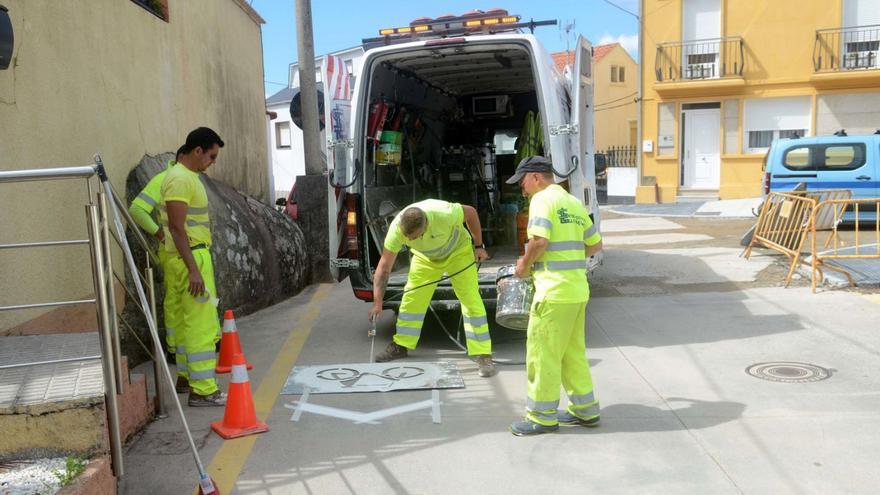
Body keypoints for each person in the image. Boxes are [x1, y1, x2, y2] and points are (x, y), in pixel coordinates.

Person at [506, 156, 603, 435]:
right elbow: (595, 244)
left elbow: (539, 241)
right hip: (576, 290)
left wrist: (524, 266)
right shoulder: (572, 202)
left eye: (522, 181)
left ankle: (541, 417)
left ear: (536, 176)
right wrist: (569, 257)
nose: (522, 188)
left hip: (553, 292)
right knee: (573, 353)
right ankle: (586, 410)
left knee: (542, 355)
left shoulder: (542, 200)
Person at [368, 199, 497, 377]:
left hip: (457, 252)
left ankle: (483, 354)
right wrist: (377, 302)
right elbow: (383, 268)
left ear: (426, 224)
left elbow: (471, 213)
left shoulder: (444, 213)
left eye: (415, 236)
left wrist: (478, 246)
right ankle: (402, 345)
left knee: (470, 300)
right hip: (425, 258)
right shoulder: (397, 230)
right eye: (409, 238)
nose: (411, 240)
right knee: (411, 299)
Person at [159, 127, 226, 407]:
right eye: (211, 156)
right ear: (197, 151)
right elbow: (176, 227)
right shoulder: (181, 179)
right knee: (201, 326)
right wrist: (194, 270)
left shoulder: (182, 177)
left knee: (188, 326)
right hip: (192, 259)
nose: (212, 162)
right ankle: (204, 390)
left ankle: (187, 379)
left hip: (186, 259)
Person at [128, 148, 190, 393]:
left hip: (184, 251)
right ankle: (176, 351)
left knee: (182, 305)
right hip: (175, 253)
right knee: (176, 304)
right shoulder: (165, 179)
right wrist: (160, 233)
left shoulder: (181, 179)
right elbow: (137, 210)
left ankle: (181, 353)